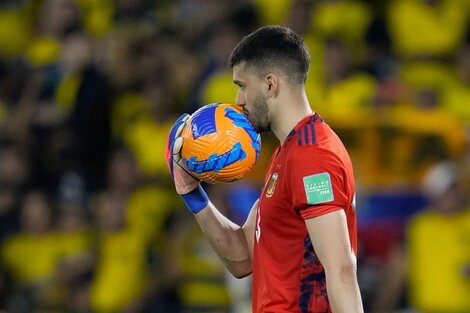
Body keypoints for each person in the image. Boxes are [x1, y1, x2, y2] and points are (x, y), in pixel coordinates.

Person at [166, 25, 364, 313]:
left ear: (270, 84)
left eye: (242, 86)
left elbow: (342, 270)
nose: (239, 101)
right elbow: (243, 257)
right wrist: (191, 192)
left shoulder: (313, 157)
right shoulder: (289, 152)